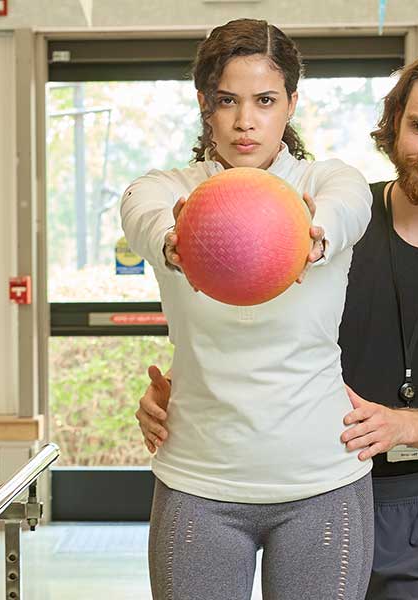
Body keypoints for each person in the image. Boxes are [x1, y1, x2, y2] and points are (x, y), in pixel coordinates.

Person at [135, 43, 418, 600]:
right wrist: (190, 393)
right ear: (394, 124)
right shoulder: (310, 224)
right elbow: (243, 320)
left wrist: (404, 425)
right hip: (316, 473)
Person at [120, 18, 376, 600]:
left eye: (265, 100)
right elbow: (141, 214)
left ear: (290, 103)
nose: (245, 121)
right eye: (227, 101)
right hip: (198, 480)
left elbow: (349, 208)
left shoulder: (328, 181)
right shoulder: (168, 190)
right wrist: (179, 241)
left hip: (321, 479)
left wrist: (310, 236)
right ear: (204, 105)